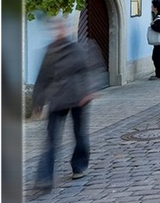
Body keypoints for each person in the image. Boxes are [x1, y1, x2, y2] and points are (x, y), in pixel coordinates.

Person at [31, 18, 105, 192]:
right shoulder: (51, 51)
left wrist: (89, 91)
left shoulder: (78, 48)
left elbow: (92, 69)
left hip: (80, 98)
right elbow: (43, 77)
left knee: (79, 134)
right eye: (54, 28)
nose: (58, 31)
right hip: (58, 99)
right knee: (51, 139)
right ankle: (44, 178)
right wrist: (38, 102)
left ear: (66, 29)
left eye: (60, 28)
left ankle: (79, 166)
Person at [147, 0, 160, 80]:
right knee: (159, 56)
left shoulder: (159, 16)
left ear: (156, 7)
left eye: (153, 6)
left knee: (156, 57)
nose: (151, 7)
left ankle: (159, 74)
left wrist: (152, 25)